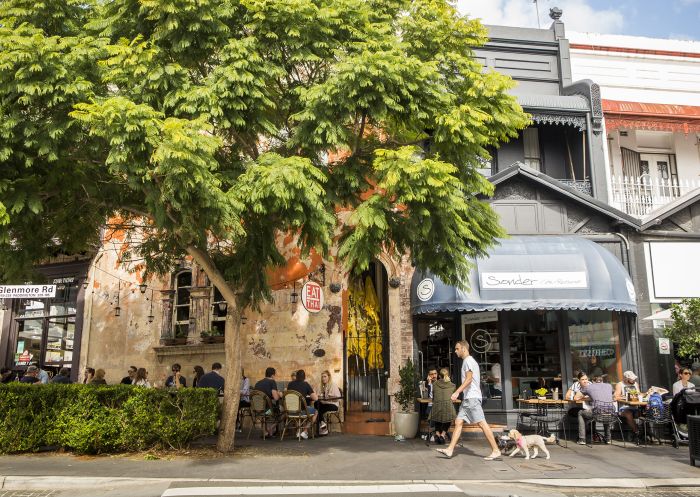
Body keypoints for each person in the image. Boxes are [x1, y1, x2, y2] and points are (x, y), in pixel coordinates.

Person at [436, 340, 500, 460]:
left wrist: (457, 392)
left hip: (472, 398)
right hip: (468, 399)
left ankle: (496, 450)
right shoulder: (468, 361)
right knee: (458, 422)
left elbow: (469, 379)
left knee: (482, 423)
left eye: (457, 349)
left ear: (464, 349)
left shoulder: (468, 361)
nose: (455, 351)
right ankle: (450, 449)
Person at [575, 374, 614, 444]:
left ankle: (582, 439)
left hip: (597, 413)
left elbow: (576, 397)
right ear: (602, 380)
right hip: (612, 414)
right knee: (606, 410)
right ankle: (608, 438)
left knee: (580, 413)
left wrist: (587, 397)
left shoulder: (588, 387)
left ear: (593, 381)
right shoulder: (609, 386)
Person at [286, 369, 318, 439]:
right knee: (315, 411)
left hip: (290, 411)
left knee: (300, 409)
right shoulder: (305, 384)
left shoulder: (290, 384)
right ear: (304, 377)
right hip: (301, 411)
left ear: (296, 376)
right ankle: (305, 431)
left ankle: (298, 432)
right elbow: (315, 398)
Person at [614, 370, 642, 444]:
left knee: (645, 413)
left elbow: (639, 394)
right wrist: (625, 397)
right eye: (632, 379)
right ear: (626, 379)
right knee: (628, 414)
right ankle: (637, 433)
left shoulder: (635, 384)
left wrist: (646, 393)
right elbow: (615, 397)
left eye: (634, 379)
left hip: (635, 406)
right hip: (623, 408)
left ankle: (641, 432)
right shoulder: (620, 385)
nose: (634, 380)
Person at [430, 368, 456, 445]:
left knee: (436, 416)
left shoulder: (434, 384)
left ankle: (437, 434)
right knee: (449, 417)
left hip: (436, 407)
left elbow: (434, 397)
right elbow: (452, 397)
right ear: (448, 375)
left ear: (439, 376)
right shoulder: (452, 385)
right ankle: (443, 435)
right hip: (448, 407)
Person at [254, 367, 280, 437]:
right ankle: (270, 429)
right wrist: (279, 394)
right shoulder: (272, 382)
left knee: (266, 413)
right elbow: (276, 398)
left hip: (257, 410)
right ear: (272, 375)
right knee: (280, 411)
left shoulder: (258, 383)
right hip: (268, 411)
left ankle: (265, 431)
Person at [316, 370, 341, 435]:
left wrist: (330, 397)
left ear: (329, 377)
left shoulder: (333, 385)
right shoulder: (323, 386)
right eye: (322, 377)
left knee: (318, 410)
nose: (323, 378)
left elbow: (338, 398)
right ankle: (323, 424)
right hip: (326, 404)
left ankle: (323, 426)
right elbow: (319, 395)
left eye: (325, 376)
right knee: (316, 403)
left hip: (334, 405)